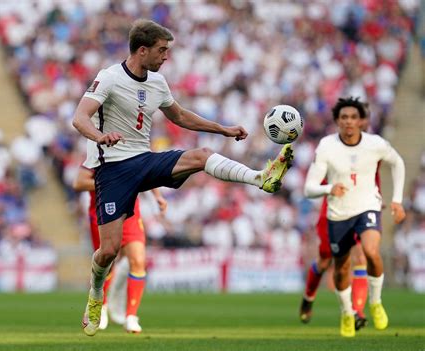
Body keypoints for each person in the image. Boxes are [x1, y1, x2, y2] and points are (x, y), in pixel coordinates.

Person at [72, 19, 294, 337]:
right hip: (113, 170)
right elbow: (79, 117)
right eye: (162, 50)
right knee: (108, 252)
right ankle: (96, 296)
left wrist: (224, 128)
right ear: (143, 49)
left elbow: (179, 116)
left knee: (201, 156)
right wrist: (100, 136)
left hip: (144, 160)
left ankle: (261, 177)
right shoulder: (108, 77)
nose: (166, 56)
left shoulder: (158, 83)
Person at [304, 97, 405, 337]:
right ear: (337, 122)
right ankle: (348, 312)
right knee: (339, 268)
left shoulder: (375, 144)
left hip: (367, 207)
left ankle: (375, 302)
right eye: (344, 118)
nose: (349, 122)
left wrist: (397, 200)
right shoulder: (327, 147)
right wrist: (330, 189)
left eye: (353, 117)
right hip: (338, 213)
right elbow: (309, 188)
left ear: (361, 121)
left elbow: (398, 162)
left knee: (370, 251)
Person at [300, 103, 374, 330]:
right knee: (325, 262)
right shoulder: (329, 148)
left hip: (361, 208)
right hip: (333, 211)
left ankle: (357, 311)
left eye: (358, 118)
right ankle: (308, 298)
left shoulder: (371, 148)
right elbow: (315, 182)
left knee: (361, 258)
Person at [73, 165, 167, 333]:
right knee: (107, 260)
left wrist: (157, 196)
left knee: (138, 260)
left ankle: (131, 317)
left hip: (130, 212)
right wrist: (112, 183)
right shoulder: (97, 154)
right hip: (103, 213)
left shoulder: (133, 150)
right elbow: (79, 183)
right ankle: (102, 307)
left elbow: (147, 170)